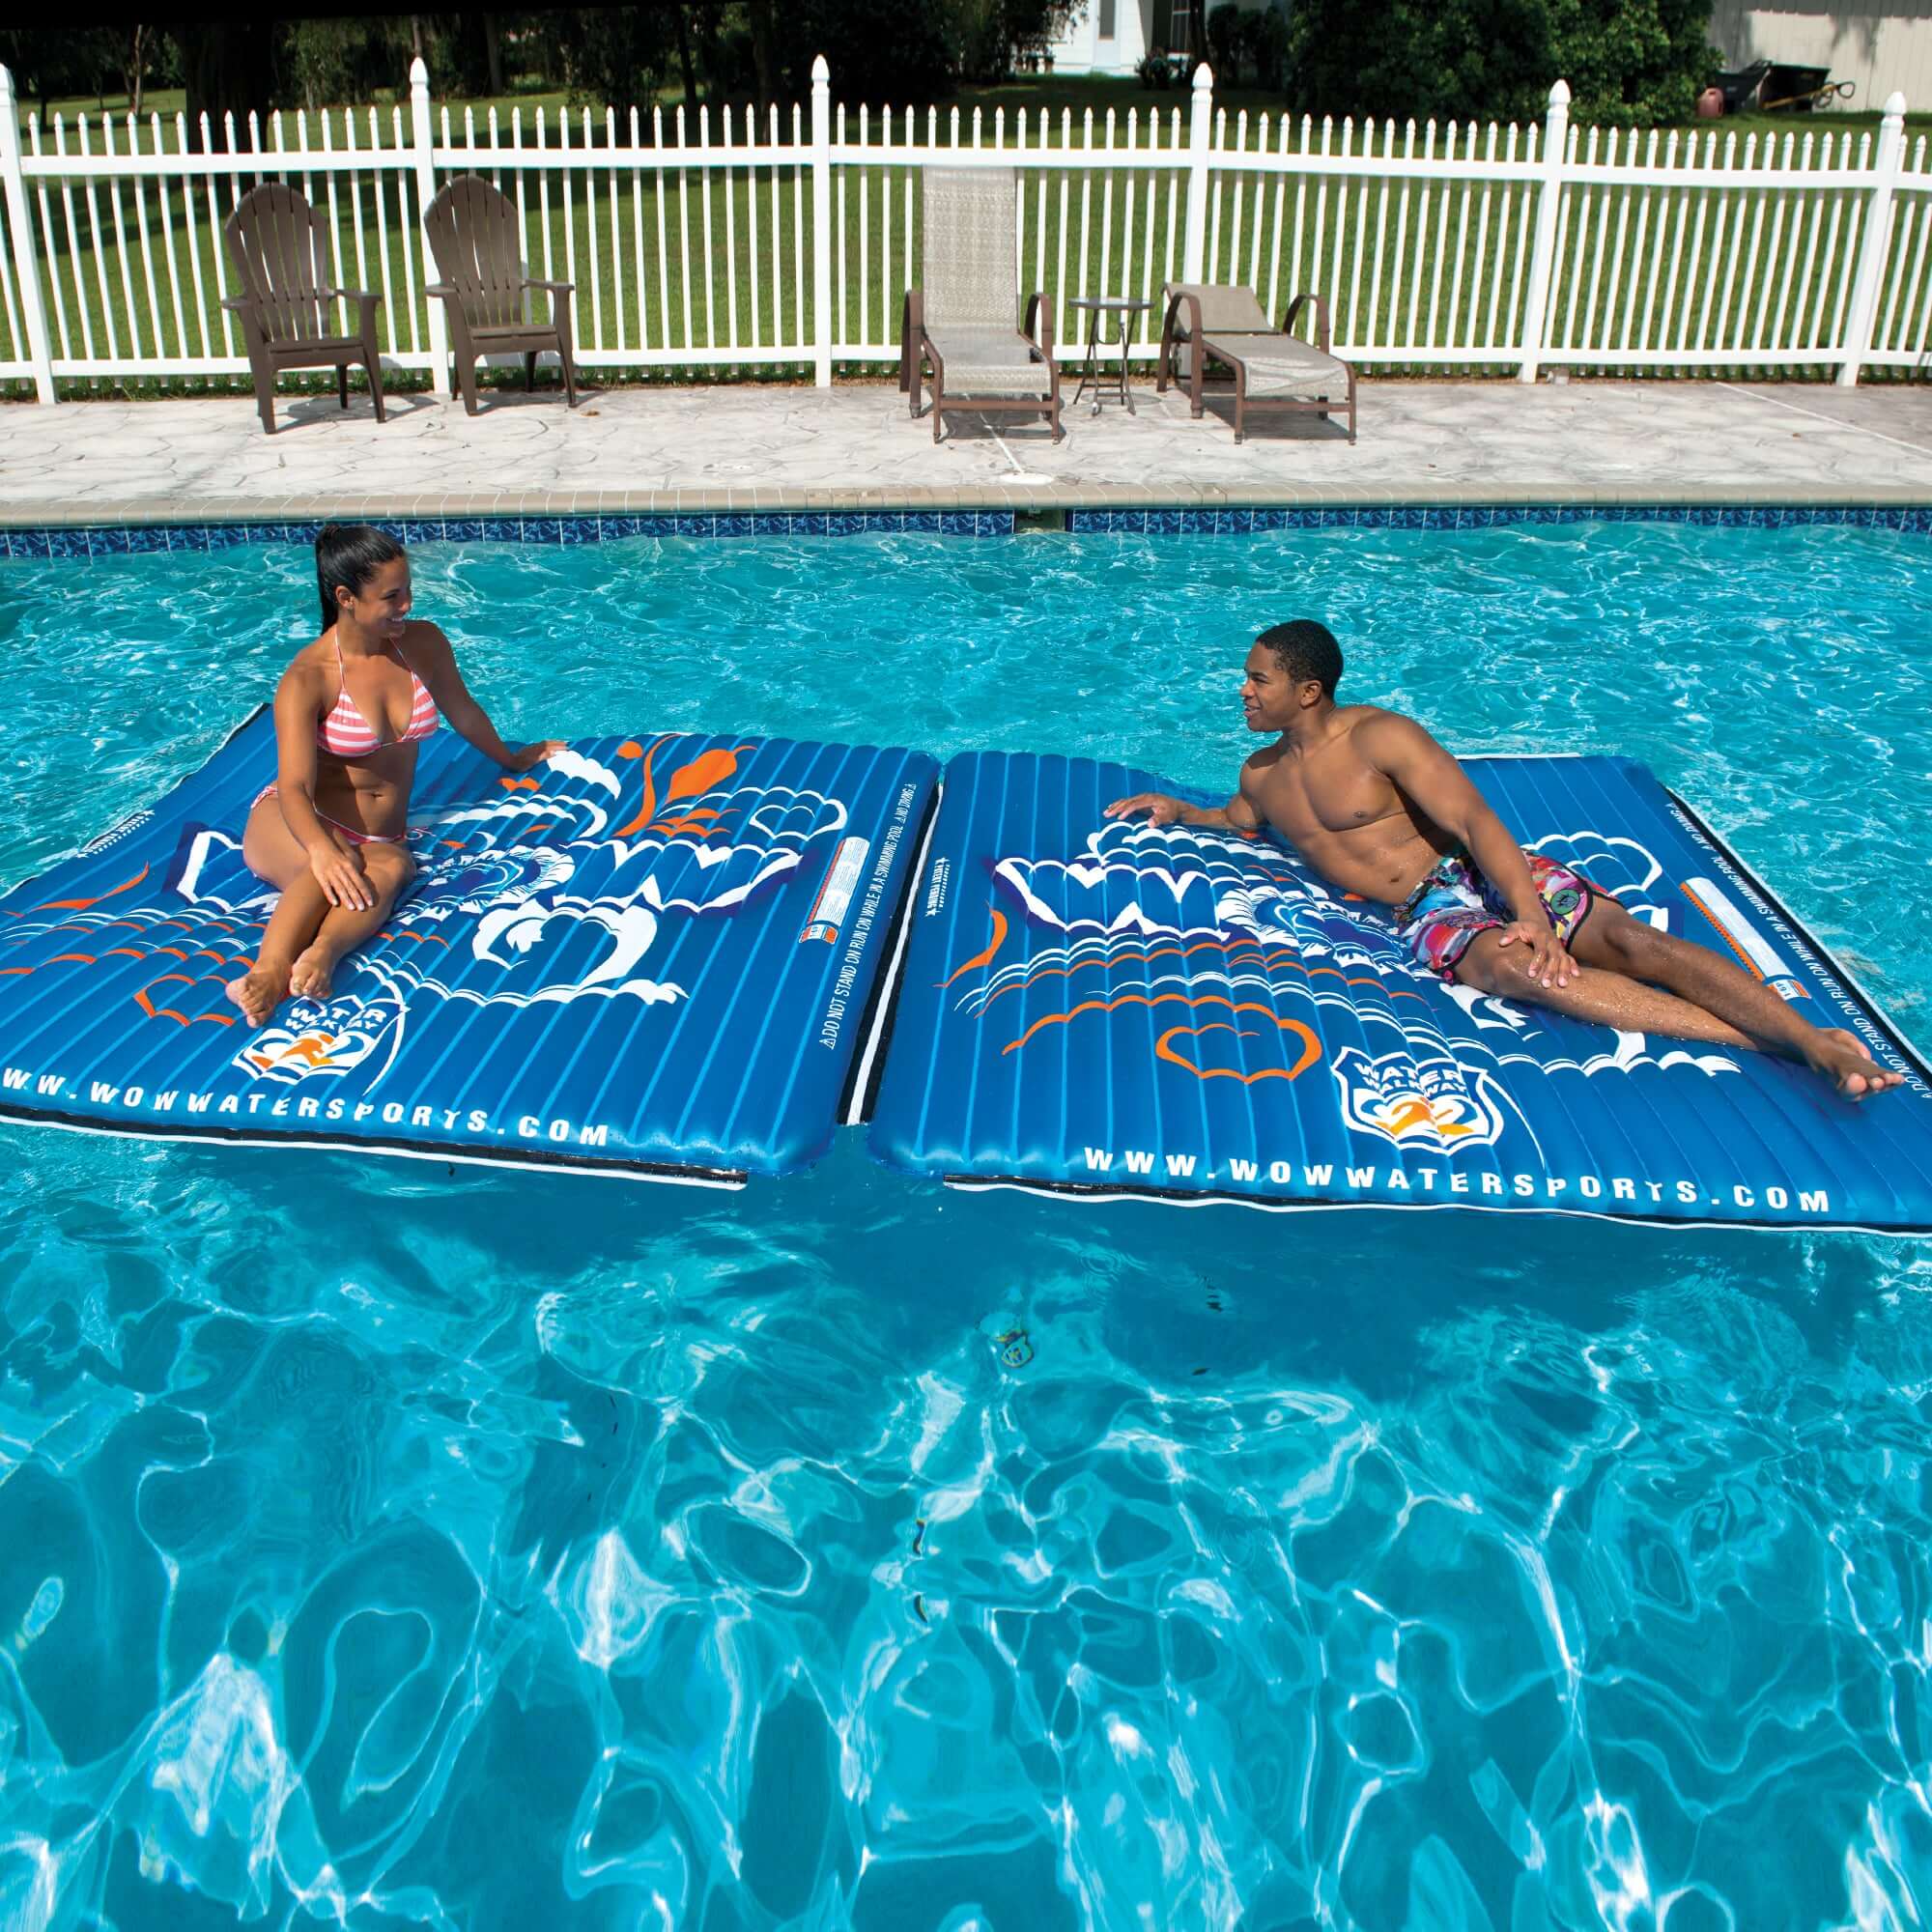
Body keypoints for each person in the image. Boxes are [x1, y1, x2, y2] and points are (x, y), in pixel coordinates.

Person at [1105, 618, 1902, 1101]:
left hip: (1482, 870)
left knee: (1633, 944)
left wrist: (1531, 915)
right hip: (1427, 909)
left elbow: (1477, 820)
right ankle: (1771, 1044)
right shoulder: (1261, 775)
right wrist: (1182, 812)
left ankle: (1811, 1034)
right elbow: (1239, 823)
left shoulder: (1384, 736)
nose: (1242, 691)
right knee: (1523, 974)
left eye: (1258, 679)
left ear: (1307, 690)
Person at [224, 525, 563, 1028]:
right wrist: (320, 846)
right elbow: (294, 786)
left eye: (407, 589)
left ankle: (321, 955)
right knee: (328, 868)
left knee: (392, 867)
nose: (406, 604)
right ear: (346, 598)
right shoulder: (309, 677)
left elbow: (463, 710)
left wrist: (511, 759)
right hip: (297, 819)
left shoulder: (420, 643)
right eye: (391, 596)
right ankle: (269, 973)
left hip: (379, 836)